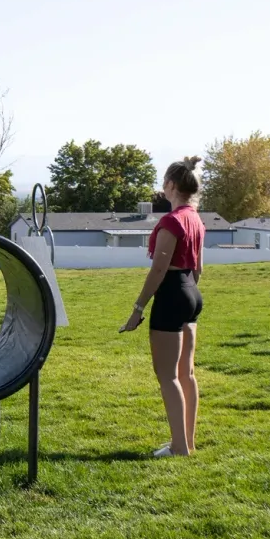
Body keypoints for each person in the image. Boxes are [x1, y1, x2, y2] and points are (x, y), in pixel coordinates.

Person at [120, 157, 206, 457]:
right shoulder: (195, 217)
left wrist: (138, 308)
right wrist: (187, 292)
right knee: (187, 373)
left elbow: (158, 270)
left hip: (171, 294)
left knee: (168, 375)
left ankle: (179, 447)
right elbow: (198, 269)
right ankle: (188, 443)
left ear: (171, 185)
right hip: (191, 292)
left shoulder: (172, 221)